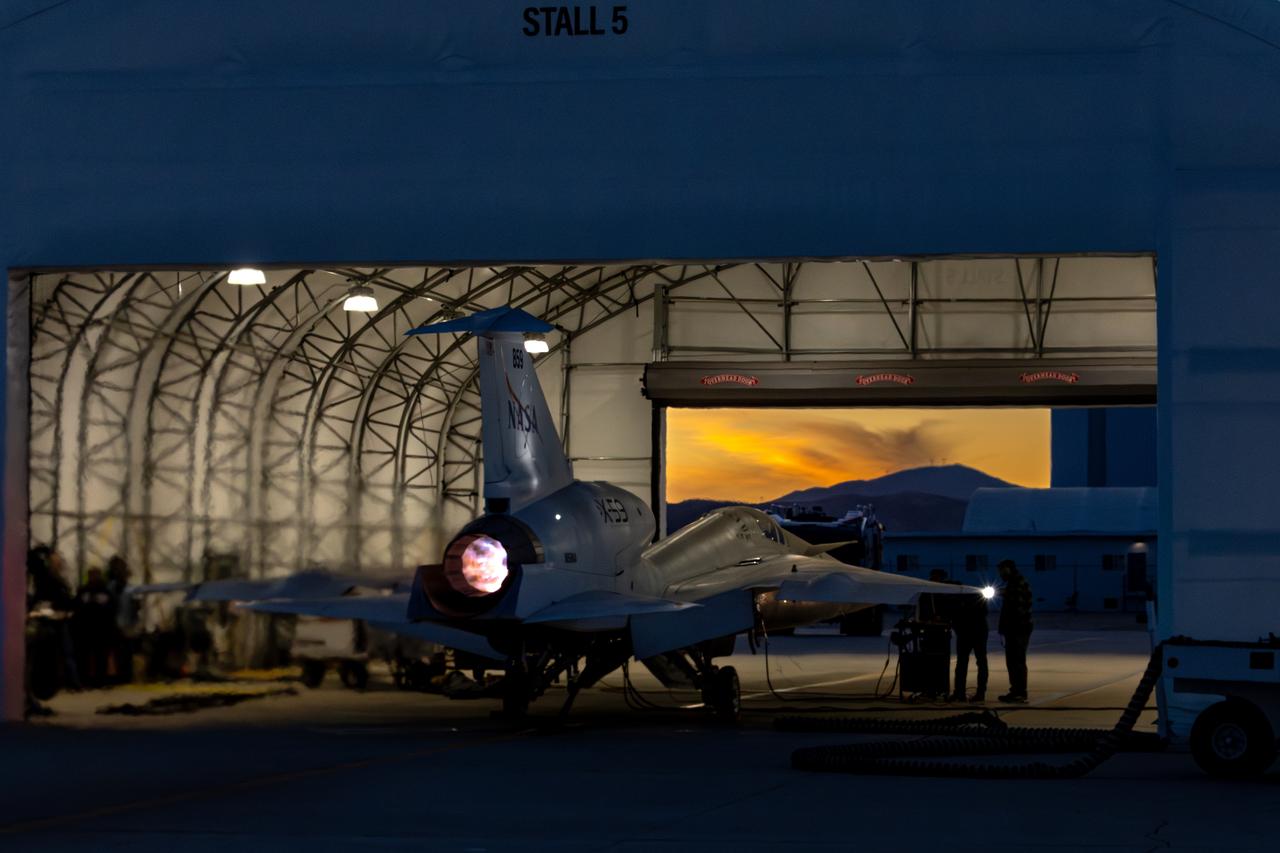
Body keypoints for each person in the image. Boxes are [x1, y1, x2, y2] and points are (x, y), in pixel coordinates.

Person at [997, 558, 1034, 703]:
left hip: (1018, 627)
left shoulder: (1017, 583)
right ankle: (1016, 691)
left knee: (1016, 660)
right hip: (1017, 627)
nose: (1000, 574)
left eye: (1001, 571)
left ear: (1008, 569)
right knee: (1014, 660)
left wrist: (1005, 593)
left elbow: (1016, 607)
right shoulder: (1015, 583)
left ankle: (1019, 692)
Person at [949, 588, 989, 703]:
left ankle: (960, 693)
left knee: (962, 663)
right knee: (981, 662)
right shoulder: (975, 598)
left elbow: (954, 618)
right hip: (977, 632)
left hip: (967, 633)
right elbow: (984, 613)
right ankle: (979, 693)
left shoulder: (956, 599)